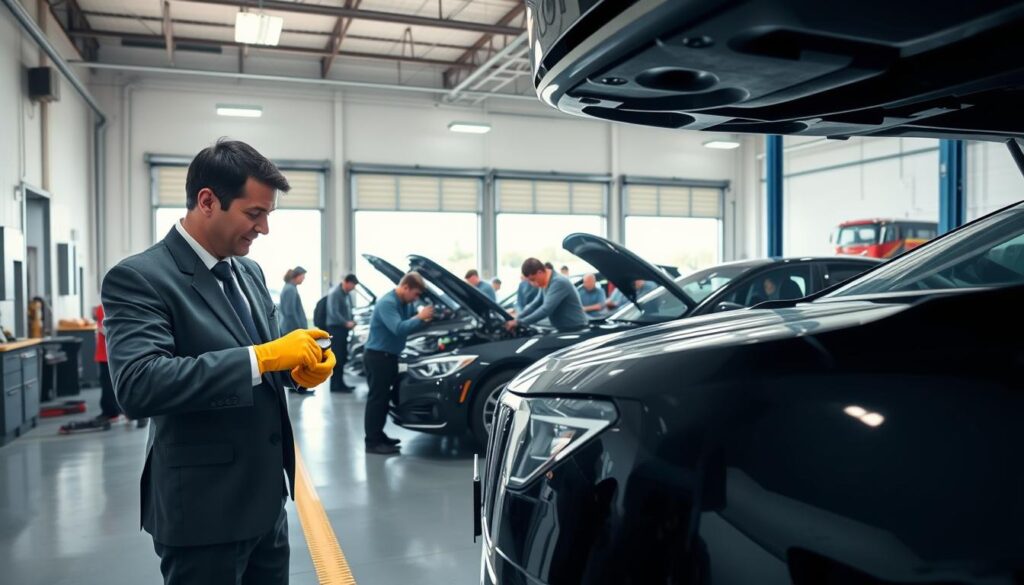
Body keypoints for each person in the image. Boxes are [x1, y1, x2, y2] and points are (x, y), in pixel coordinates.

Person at [102, 139, 336, 585]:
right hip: (204, 512)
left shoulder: (248, 271)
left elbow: (267, 357)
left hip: (267, 502)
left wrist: (300, 368)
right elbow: (138, 384)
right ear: (207, 201)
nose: (264, 228)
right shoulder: (141, 278)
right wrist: (263, 357)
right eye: (254, 214)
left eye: (268, 214)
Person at [363, 272, 434, 455]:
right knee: (377, 400)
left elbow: (410, 324)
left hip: (389, 356)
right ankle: (372, 442)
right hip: (378, 357)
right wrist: (420, 317)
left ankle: (379, 435)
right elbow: (399, 328)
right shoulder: (388, 303)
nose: (416, 298)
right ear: (405, 287)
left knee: (384, 399)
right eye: (415, 294)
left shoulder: (404, 303)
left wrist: (423, 320)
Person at [506, 258, 588, 333]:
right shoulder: (545, 282)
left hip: (575, 329)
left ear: (540, 272)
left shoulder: (558, 282)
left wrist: (519, 322)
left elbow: (546, 309)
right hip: (562, 328)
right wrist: (517, 318)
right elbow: (534, 304)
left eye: (533, 280)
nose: (532, 284)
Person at [325, 273, 359, 393]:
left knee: (342, 357)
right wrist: (346, 323)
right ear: (346, 282)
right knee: (337, 357)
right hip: (336, 329)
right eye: (352, 285)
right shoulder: (335, 293)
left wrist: (350, 321)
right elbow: (334, 312)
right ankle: (335, 385)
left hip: (342, 329)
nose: (353, 288)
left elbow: (348, 310)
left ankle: (340, 383)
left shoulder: (346, 294)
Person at [278, 266, 307, 333]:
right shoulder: (290, 289)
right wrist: (298, 329)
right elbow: (290, 312)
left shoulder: (290, 288)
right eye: (303, 276)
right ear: (297, 276)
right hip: (291, 330)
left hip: (291, 329)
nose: (303, 279)